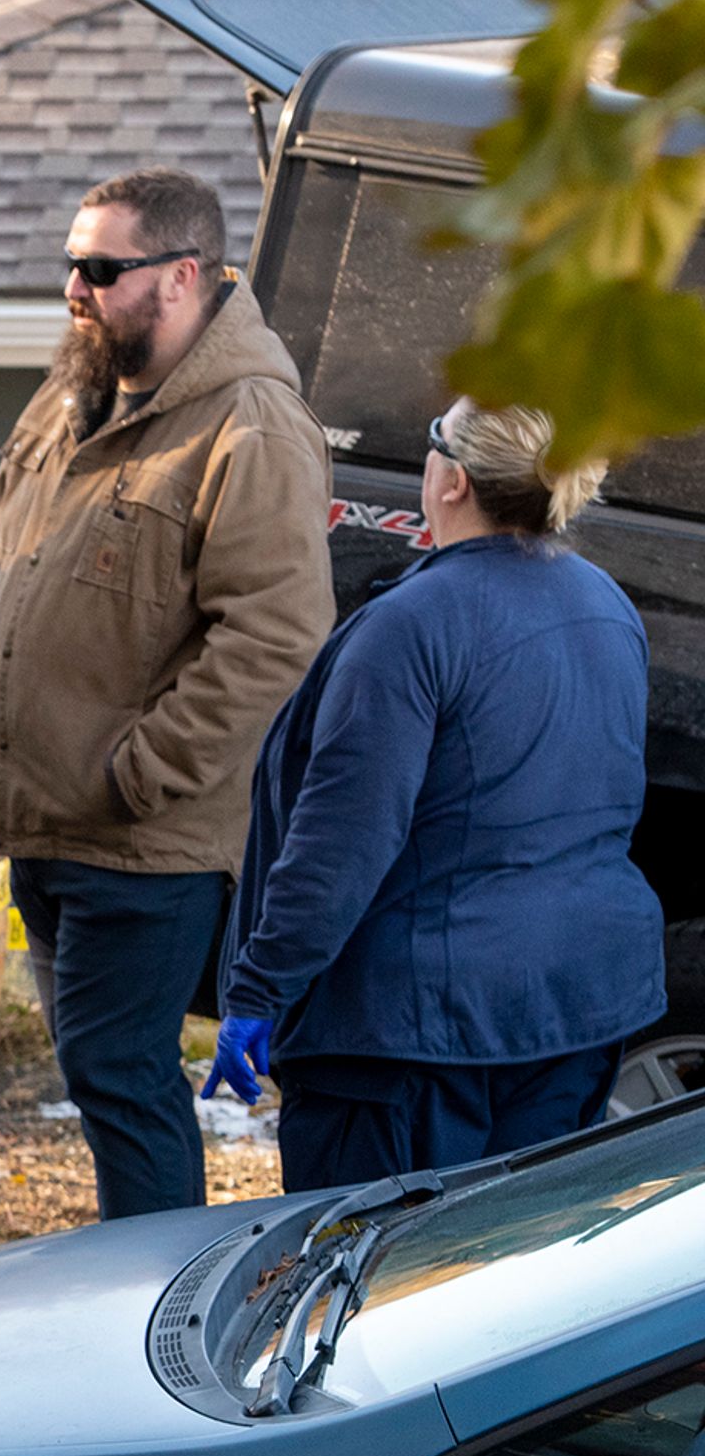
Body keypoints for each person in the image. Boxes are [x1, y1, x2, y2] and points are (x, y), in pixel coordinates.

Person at [0, 167, 333, 1220]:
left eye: (102, 269)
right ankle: (140, 1300)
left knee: (120, 1074)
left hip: (144, 841)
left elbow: (276, 632)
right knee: (100, 1077)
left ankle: (159, 1318)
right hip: (42, 821)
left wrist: (143, 770)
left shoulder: (252, 424)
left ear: (183, 277)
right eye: (71, 264)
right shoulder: (73, 394)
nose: (76, 286)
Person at [209, 401, 658, 1186]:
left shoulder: (409, 628)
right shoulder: (607, 607)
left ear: (451, 479)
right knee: (523, 1281)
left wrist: (257, 989)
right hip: (571, 1015)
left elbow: (340, 842)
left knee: (379, 1293)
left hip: (407, 1048)